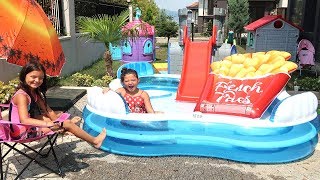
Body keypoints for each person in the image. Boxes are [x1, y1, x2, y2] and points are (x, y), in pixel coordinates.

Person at [9, 60, 106, 148]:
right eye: (33, 77)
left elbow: (47, 110)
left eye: (41, 78)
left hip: (27, 127)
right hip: (22, 133)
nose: (37, 80)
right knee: (66, 123)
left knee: (58, 114)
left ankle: (65, 129)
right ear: (24, 75)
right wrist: (50, 124)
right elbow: (24, 120)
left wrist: (56, 122)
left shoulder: (33, 91)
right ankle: (95, 141)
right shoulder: (22, 96)